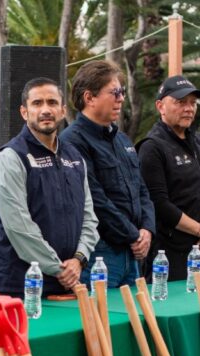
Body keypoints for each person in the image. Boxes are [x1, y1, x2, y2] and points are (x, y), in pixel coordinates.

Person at [0, 78, 98, 298]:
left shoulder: (75, 157)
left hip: (70, 278)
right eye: (37, 103)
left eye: (52, 102)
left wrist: (78, 259)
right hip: (23, 283)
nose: (46, 110)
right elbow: (18, 226)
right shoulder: (11, 157)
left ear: (63, 110)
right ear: (24, 112)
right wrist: (58, 268)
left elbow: (89, 217)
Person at [59, 60, 154, 288]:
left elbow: (142, 189)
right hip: (100, 253)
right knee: (101, 311)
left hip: (133, 252)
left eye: (122, 92)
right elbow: (96, 201)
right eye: (115, 92)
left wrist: (147, 230)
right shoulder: (72, 141)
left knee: (134, 311)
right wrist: (134, 236)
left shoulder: (122, 139)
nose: (121, 98)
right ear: (89, 97)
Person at [137, 75, 200, 279]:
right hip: (168, 257)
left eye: (193, 103)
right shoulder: (152, 147)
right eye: (181, 102)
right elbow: (159, 204)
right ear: (160, 106)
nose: (189, 108)